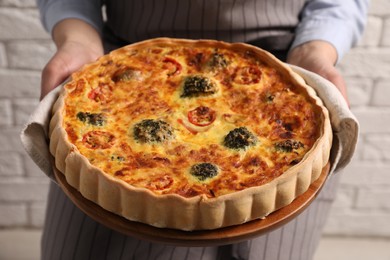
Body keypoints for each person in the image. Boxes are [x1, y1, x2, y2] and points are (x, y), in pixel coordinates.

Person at [36, 1, 369, 259]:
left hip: (281, 75)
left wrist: (317, 51)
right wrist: (77, 38)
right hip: (121, 67)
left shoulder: (296, 107)